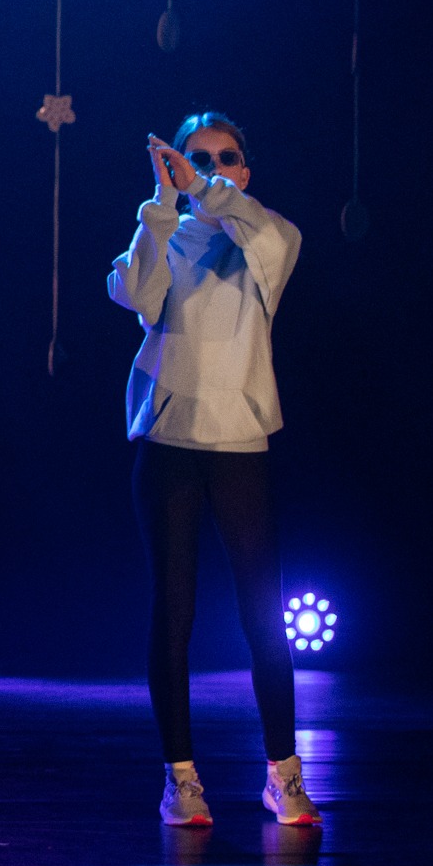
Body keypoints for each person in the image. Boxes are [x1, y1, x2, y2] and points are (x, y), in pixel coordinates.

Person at [107, 114, 315, 828]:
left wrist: (204, 188)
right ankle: (181, 779)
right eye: (198, 157)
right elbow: (138, 295)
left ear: (244, 170)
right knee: (174, 611)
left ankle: (283, 774)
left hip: (240, 444)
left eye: (226, 158)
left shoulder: (266, 238)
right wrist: (163, 204)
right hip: (168, 442)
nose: (211, 167)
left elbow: (271, 238)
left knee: (263, 612)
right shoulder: (163, 233)